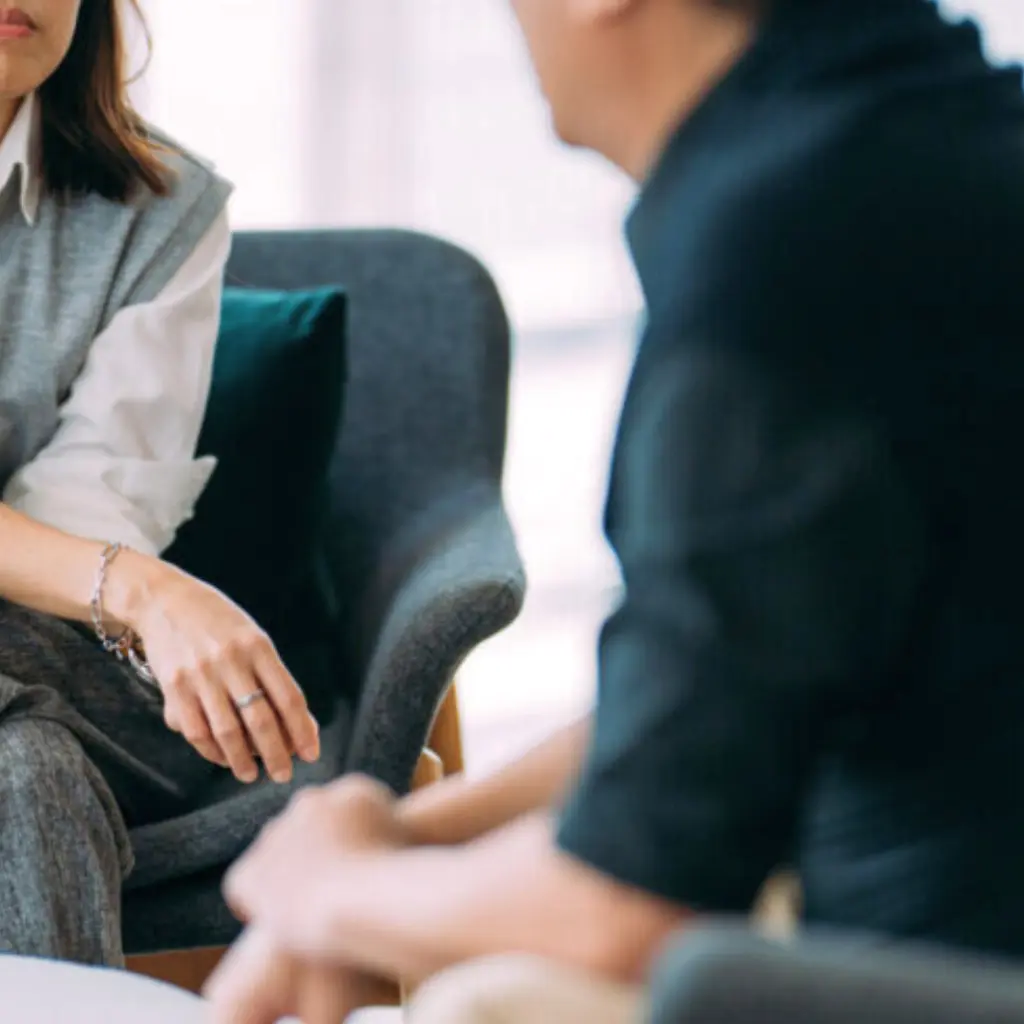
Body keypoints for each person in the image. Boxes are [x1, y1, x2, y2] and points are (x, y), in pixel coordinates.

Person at [202, 0, 1024, 1019]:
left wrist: (321, 887)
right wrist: (412, 836)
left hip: (932, 981)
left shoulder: (784, 263)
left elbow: (627, 910)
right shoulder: (943, 144)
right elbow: (733, 685)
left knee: (480, 1004)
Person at [0, 0, 322, 966]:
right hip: (50, 702)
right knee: (24, 775)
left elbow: (87, 513)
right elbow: (113, 568)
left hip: (67, 654)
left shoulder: (164, 211)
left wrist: (122, 582)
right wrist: (150, 591)